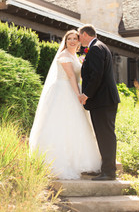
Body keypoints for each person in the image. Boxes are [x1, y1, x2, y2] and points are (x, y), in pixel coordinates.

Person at [29, 30, 101, 179]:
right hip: (63, 91)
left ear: (80, 41)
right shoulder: (63, 56)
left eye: (75, 38)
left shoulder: (75, 56)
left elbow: (80, 75)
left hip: (72, 89)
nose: (73, 41)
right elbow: (70, 77)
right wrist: (78, 96)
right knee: (61, 124)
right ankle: (59, 161)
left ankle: (79, 158)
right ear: (65, 41)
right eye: (69, 39)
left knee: (76, 125)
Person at [78, 24, 120, 181]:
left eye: (79, 35)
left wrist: (86, 94)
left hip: (103, 100)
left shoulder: (95, 48)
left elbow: (97, 75)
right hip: (104, 100)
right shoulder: (99, 47)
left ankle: (109, 172)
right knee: (103, 135)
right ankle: (105, 169)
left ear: (85, 34)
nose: (78, 38)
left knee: (106, 135)